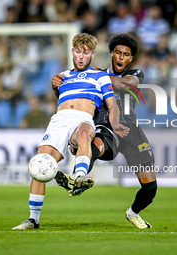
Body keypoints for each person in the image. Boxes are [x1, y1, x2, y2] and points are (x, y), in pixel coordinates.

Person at [12, 33, 129, 230]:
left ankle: (79, 177)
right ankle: (33, 220)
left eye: (85, 53)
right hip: (59, 120)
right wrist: (54, 87)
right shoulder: (63, 76)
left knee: (84, 133)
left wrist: (115, 123)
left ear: (92, 54)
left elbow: (112, 104)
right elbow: (62, 98)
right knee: (41, 163)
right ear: (72, 52)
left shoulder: (101, 76)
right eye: (77, 52)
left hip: (83, 118)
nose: (81, 56)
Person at [54, 34, 157, 229]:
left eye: (126, 54)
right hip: (107, 124)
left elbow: (124, 85)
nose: (121, 58)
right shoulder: (96, 74)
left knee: (150, 187)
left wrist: (94, 75)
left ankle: (132, 213)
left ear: (131, 58)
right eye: (118, 52)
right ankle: (76, 178)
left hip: (131, 130)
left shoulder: (135, 73)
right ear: (111, 53)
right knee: (97, 145)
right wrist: (59, 83)